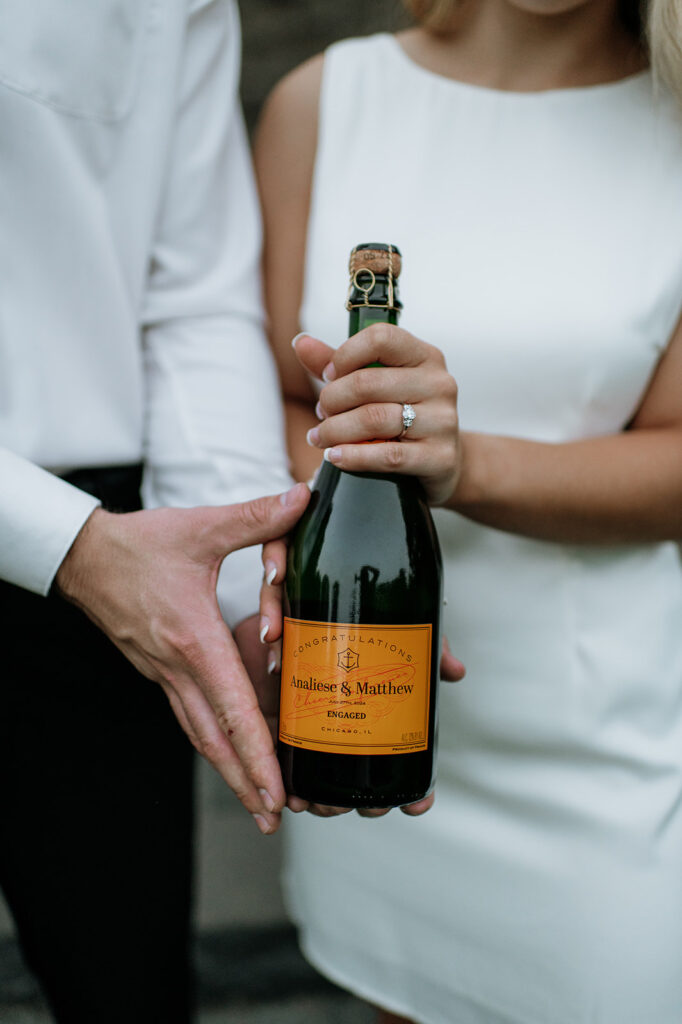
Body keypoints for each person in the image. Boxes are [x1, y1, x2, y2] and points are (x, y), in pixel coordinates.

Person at [254, 0, 682, 1020]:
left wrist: (458, 462)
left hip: (595, 745)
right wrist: (300, 582)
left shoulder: (673, 124)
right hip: (360, 703)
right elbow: (277, 389)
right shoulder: (323, 100)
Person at [0, 2, 310, 1022]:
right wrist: (64, 541)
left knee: (129, 989)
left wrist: (237, 594)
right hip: (86, 547)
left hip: (121, 573)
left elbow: (190, 293)